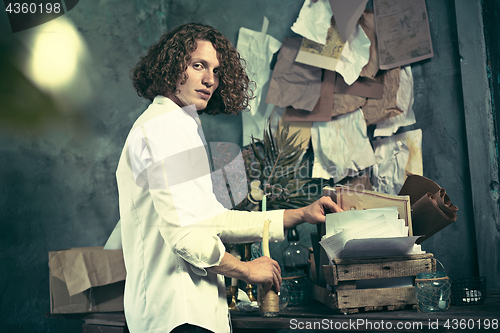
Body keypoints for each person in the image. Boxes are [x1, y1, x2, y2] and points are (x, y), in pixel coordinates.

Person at [116, 22, 342, 333]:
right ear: (170, 67)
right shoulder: (163, 128)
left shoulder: (180, 126)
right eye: (198, 65)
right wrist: (246, 270)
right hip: (177, 314)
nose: (210, 79)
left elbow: (213, 220)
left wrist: (298, 215)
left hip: (190, 313)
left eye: (216, 71)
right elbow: (186, 238)